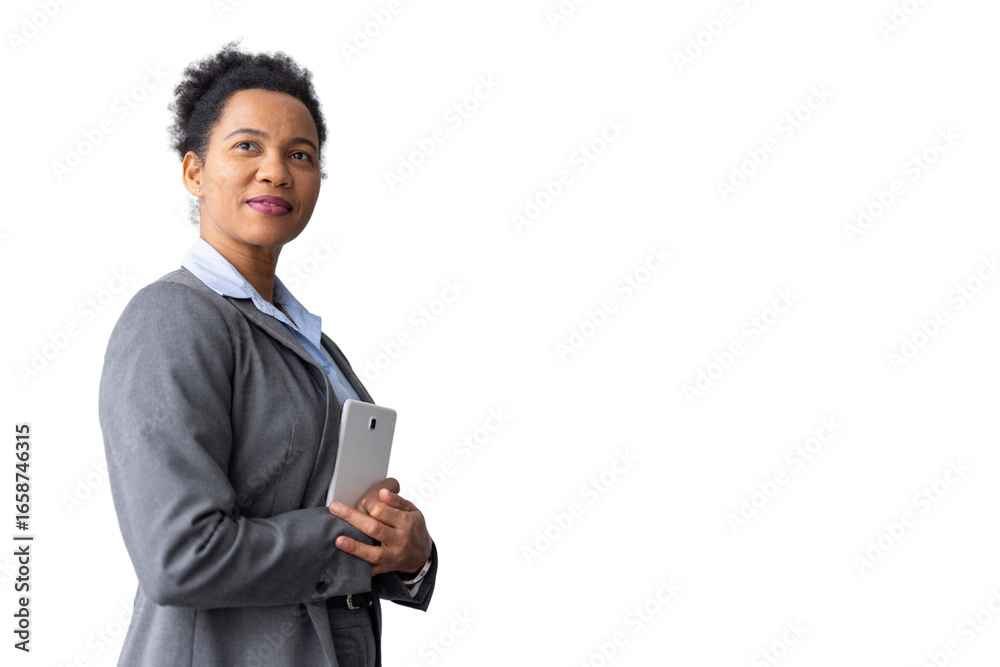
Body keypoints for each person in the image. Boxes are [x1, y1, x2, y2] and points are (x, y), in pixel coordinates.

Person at [98, 40, 437, 667]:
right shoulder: (172, 318)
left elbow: (326, 507)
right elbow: (182, 557)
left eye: (300, 155)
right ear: (194, 172)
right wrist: (354, 539)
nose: (276, 170)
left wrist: (408, 552)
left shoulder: (312, 340)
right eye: (247, 146)